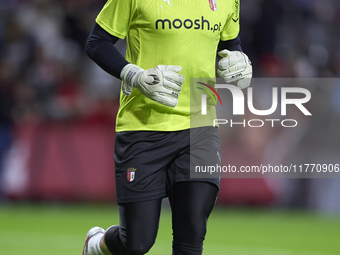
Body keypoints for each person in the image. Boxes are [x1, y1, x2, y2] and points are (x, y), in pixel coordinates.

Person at [82, 0, 252, 254]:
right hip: (143, 126)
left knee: (192, 233)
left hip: (200, 126)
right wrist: (134, 75)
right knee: (137, 243)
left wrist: (240, 62)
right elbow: (96, 42)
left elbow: (230, 45)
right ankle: (96, 245)